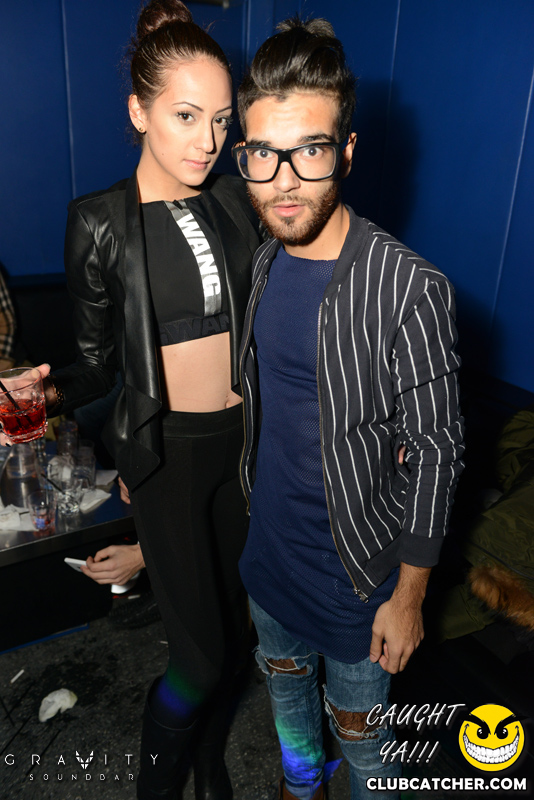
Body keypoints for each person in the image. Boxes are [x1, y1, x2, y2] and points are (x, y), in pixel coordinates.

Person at [0, 2, 263, 798]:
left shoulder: (236, 203)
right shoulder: (99, 221)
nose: (207, 139)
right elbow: (95, 367)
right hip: (167, 457)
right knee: (200, 660)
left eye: (221, 119)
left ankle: (209, 766)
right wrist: (43, 391)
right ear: (138, 111)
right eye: (186, 115)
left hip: (246, 448)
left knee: (237, 638)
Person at [233, 17, 465, 800]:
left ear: (348, 150)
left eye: (311, 150)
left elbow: (438, 453)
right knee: (291, 719)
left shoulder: (409, 288)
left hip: (359, 585)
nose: (284, 180)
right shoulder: (263, 262)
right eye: (263, 154)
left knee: (367, 759)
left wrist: (409, 598)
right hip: (270, 568)